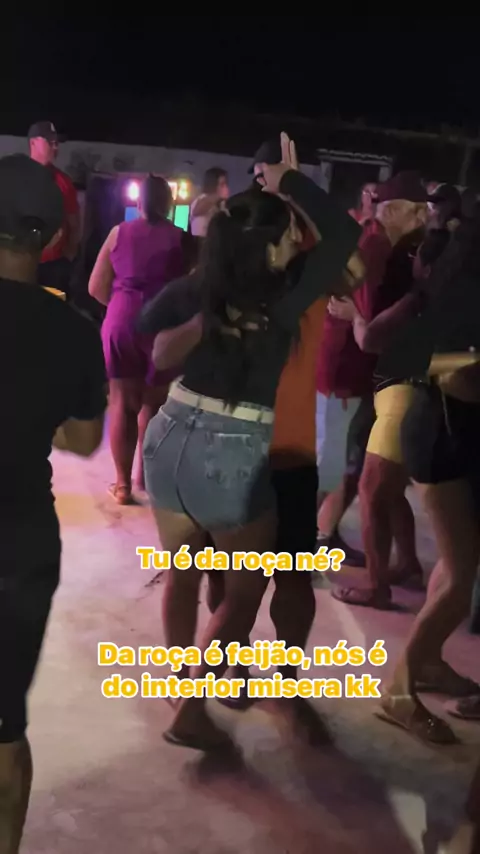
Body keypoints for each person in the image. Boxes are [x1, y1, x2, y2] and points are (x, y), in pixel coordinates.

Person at [139, 134, 362, 750]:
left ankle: (188, 686)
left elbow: (149, 338)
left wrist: (209, 318)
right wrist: (289, 181)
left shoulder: (207, 282)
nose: (295, 243)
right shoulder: (283, 296)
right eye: (286, 236)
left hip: (171, 434)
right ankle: (190, 705)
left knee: (188, 573)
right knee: (245, 591)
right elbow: (345, 234)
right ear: (265, 246)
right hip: (233, 443)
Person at [0, 154, 106, 853]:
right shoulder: (72, 329)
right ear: (53, 238)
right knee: (4, 732)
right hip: (19, 551)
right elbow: (85, 438)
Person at [374, 206, 480, 743]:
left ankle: (429, 662)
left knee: (457, 565)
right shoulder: (466, 293)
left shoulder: (455, 283)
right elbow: (454, 375)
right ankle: (399, 688)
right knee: (460, 577)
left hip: (446, 431)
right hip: (441, 434)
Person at [315, 172, 427, 573]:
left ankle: (321, 536)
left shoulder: (379, 241)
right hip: (346, 370)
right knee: (334, 466)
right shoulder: (375, 244)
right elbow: (362, 318)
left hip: (351, 369)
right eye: (417, 211)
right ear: (393, 211)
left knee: (351, 465)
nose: (423, 219)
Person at [88, 175, 186, 503]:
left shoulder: (118, 233)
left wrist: (120, 306)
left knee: (121, 403)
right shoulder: (182, 239)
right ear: (168, 203)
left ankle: (122, 485)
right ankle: (145, 477)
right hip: (162, 325)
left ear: (139, 202)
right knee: (153, 404)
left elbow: (95, 287)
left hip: (122, 321)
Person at [28, 121, 80, 299]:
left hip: (54, 268)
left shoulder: (63, 182)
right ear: (33, 143)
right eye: (50, 142)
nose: (55, 147)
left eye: (57, 143)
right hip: (22, 264)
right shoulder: (16, 177)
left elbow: (74, 224)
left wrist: (67, 258)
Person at [190, 167, 229, 237]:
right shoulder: (201, 199)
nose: (225, 187)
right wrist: (219, 196)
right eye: (222, 184)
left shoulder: (221, 204)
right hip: (200, 241)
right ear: (213, 184)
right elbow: (197, 210)